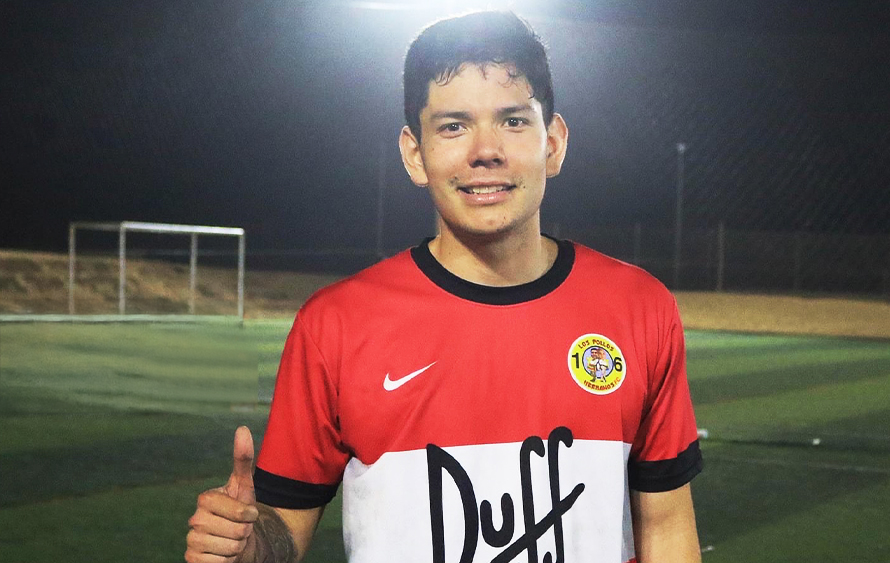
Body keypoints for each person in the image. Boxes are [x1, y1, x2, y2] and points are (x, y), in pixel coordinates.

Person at [185, 10, 703, 563]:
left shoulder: (639, 307)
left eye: (513, 121)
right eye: (453, 125)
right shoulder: (335, 324)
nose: (485, 150)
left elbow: (668, 528)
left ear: (553, 143)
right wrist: (245, 548)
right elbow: (283, 532)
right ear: (415, 153)